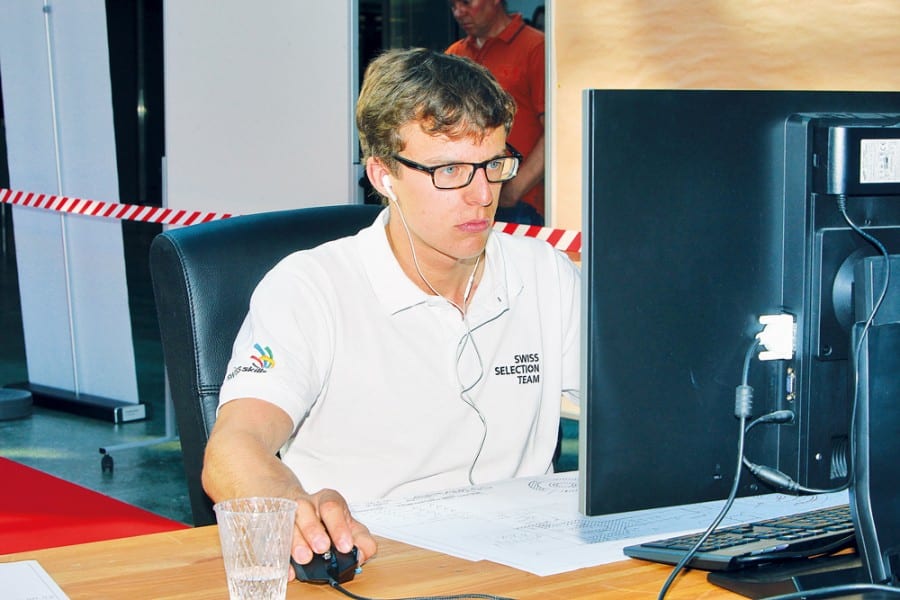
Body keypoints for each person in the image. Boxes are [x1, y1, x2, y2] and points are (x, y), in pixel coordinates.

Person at [201, 48, 580, 570]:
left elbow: (638, 406)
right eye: (449, 170)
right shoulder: (310, 288)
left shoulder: (544, 273)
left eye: (493, 163)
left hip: (527, 560)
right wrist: (285, 500)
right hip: (377, 557)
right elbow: (233, 446)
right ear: (382, 175)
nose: (481, 194)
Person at [446, 0, 546, 226]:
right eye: (453, 6)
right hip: (465, 196)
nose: (459, 12)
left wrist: (516, 189)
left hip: (519, 203)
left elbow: (556, 132)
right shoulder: (455, 53)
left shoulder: (536, 47)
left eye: (466, 3)